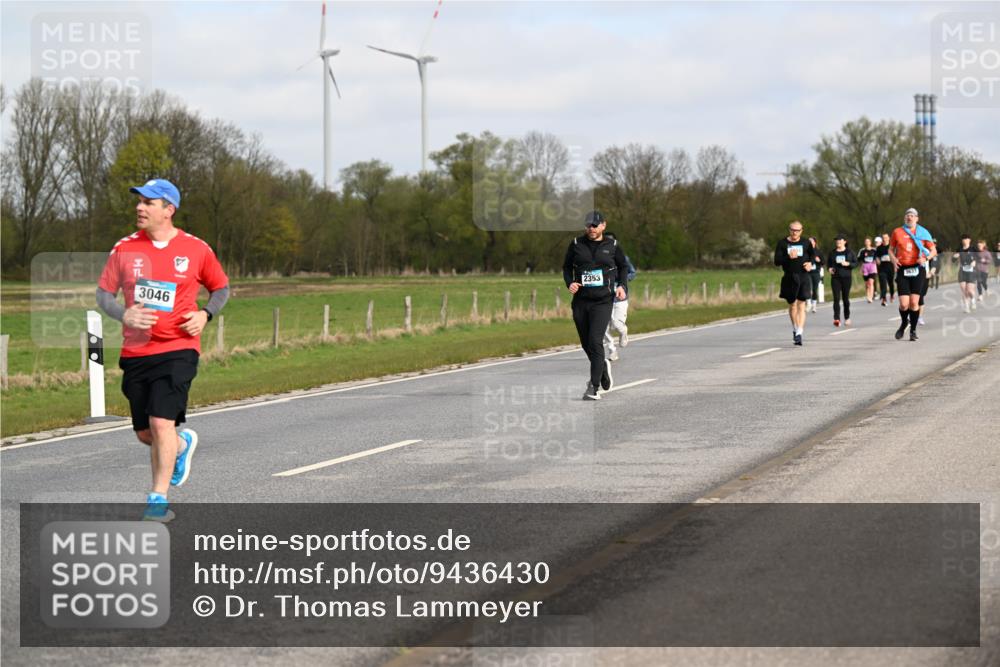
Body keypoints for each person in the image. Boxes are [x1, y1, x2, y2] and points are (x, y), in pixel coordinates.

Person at [96, 179, 230, 522]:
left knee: (160, 421)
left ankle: (157, 501)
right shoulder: (124, 249)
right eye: (139, 202)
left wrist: (205, 314)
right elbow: (103, 296)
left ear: (168, 210)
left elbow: (221, 288)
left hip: (178, 348)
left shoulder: (196, 249)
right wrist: (124, 314)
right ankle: (181, 445)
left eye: (149, 202)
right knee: (147, 433)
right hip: (137, 352)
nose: (140, 208)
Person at [563, 210, 628, 400]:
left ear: (603, 226)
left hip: (603, 301)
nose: (591, 229)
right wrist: (570, 283)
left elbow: (623, 267)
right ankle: (603, 368)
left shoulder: (613, 245)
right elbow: (566, 267)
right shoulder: (576, 244)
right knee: (586, 344)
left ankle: (594, 387)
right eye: (588, 225)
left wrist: (622, 285)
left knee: (595, 340)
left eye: (594, 225)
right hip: (581, 301)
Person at [888, 208, 936, 341]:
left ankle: (913, 331)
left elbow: (933, 251)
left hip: (917, 269)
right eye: (907, 215)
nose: (909, 218)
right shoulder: (897, 232)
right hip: (903, 269)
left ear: (917, 218)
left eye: (912, 216)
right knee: (904, 304)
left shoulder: (923, 232)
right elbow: (891, 249)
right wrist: (893, 259)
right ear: (905, 218)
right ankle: (904, 323)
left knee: (914, 303)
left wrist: (925, 259)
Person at [774, 221, 819, 346]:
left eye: (797, 230)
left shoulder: (806, 242)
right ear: (789, 230)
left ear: (801, 231)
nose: (795, 232)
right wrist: (788, 257)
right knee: (792, 305)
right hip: (789, 277)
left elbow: (812, 255)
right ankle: (795, 328)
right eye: (793, 230)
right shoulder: (782, 243)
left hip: (803, 276)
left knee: (801, 304)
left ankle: (799, 332)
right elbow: (777, 261)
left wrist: (810, 263)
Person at [603, 249, 636, 362]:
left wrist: (622, 281)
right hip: (602, 298)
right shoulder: (597, 259)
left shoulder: (623, 258)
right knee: (602, 327)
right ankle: (612, 351)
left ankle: (623, 331)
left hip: (619, 298)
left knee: (616, 325)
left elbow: (632, 273)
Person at [827, 234, 857, 327]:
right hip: (835, 278)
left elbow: (855, 263)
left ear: (845, 241)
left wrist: (848, 263)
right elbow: (828, 264)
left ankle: (847, 317)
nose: (838, 242)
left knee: (845, 299)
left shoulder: (849, 252)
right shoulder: (832, 253)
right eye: (836, 240)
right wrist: (829, 269)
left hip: (846, 278)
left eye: (840, 240)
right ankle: (836, 318)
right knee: (836, 298)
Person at [954, 235, 978, 312]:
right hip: (962, 271)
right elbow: (953, 260)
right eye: (963, 239)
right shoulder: (959, 249)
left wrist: (975, 262)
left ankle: (973, 299)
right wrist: (955, 256)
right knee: (964, 290)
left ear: (969, 240)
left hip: (971, 271)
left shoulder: (973, 249)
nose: (965, 240)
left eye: (966, 239)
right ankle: (966, 307)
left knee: (970, 291)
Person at [876, 233, 895, 306]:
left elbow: (895, 256)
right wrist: (878, 261)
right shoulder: (879, 247)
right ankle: (884, 298)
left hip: (890, 266)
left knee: (890, 283)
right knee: (883, 283)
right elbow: (877, 256)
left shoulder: (892, 247)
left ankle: (892, 294)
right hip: (882, 267)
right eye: (883, 238)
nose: (884, 239)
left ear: (888, 238)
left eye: (886, 237)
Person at [806, 237, 824, 313]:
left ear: (815, 242)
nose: (810, 242)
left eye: (811, 241)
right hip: (807, 272)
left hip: (816, 272)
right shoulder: (805, 252)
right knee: (808, 288)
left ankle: (814, 306)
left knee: (814, 289)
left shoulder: (818, 252)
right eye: (808, 241)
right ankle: (808, 303)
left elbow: (823, 262)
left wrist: (819, 261)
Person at [857, 237, 878, 302]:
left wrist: (876, 262)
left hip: (872, 266)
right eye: (866, 241)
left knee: (871, 282)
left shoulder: (874, 250)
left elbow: (877, 258)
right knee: (867, 283)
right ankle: (868, 295)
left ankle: (870, 297)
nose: (867, 243)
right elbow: (859, 260)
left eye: (868, 241)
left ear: (870, 242)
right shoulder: (862, 251)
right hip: (865, 267)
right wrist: (861, 269)